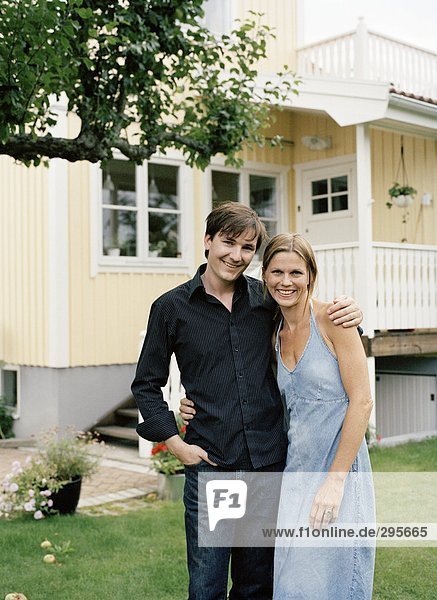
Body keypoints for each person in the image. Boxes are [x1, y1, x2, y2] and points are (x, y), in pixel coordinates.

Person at [131, 203, 363, 600]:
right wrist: (176, 443)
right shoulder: (171, 308)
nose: (236, 256)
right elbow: (146, 385)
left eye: (247, 247)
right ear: (208, 241)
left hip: (268, 468)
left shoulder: (267, 300)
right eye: (228, 242)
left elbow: (313, 320)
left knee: (257, 585)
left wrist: (354, 312)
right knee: (206, 586)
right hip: (214, 466)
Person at [262, 233, 375, 599]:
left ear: (311, 275)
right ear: (264, 276)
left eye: (296, 272)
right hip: (297, 474)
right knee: (292, 583)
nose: (286, 281)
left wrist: (335, 481)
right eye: (277, 271)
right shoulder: (273, 332)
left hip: (339, 472)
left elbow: (361, 402)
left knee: (338, 582)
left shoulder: (333, 320)